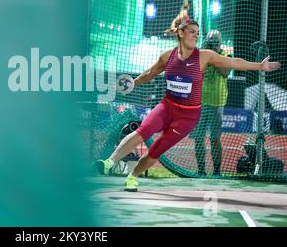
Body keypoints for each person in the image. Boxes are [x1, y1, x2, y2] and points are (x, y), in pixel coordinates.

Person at [95, 17, 281, 192]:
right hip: (166, 108)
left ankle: (133, 176)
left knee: (157, 149)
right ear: (180, 33)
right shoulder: (167, 57)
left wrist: (258, 66)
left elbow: (233, 62)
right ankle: (110, 162)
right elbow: (149, 73)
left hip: (188, 117)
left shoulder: (205, 56)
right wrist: (134, 82)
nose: (195, 35)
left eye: (197, 33)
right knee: (143, 130)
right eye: (192, 31)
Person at [190, 30, 230, 176]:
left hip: (216, 102)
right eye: (210, 42)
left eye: (215, 42)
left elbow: (225, 73)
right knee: (199, 138)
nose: (213, 44)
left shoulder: (225, 55)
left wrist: (214, 56)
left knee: (214, 138)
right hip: (199, 102)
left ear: (219, 43)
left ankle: (217, 170)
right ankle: (201, 170)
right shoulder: (201, 54)